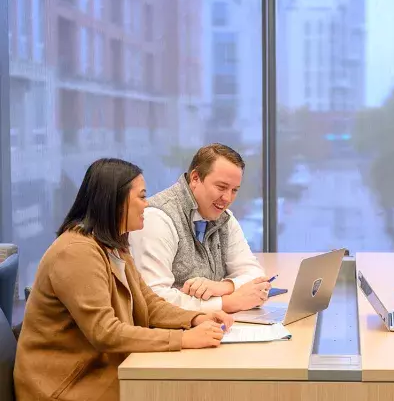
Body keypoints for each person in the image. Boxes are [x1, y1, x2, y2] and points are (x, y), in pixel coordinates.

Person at [14, 158, 233, 401]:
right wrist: (182, 338)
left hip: (100, 368)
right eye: (141, 196)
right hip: (66, 385)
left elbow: (149, 304)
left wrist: (195, 318)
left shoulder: (114, 245)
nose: (146, 204)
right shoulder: (76, 252)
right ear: (115, 202)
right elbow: (105, 332)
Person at [130, 143, 270, 313]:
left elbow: (256, 277)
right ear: (195, 178)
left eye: (234, 190)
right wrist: (226, 303)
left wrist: (223, 287)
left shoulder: (224, 217)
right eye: (221, 187)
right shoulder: (156, 218)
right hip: (172, 333)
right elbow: (154, 298)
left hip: (211, 325)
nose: (227, 198)